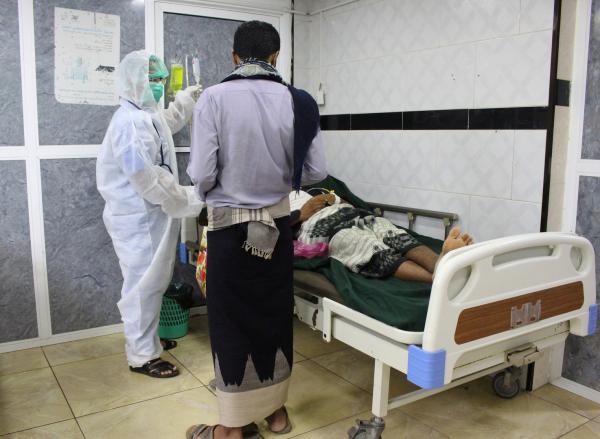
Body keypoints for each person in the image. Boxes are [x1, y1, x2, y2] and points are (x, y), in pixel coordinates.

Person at [186, 21, 326, 439]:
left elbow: (201, 173)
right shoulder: (300, 102)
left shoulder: (213, 98)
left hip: (230, 231)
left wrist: (220, 189)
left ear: (234, 56)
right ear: (275, 56)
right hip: (278, 230)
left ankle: (232, 428)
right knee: (272, 317)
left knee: (231, 322)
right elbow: (316, 171)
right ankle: (276, 414)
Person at [96, 50, 203, 379]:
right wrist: (188, 198)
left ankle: (148, 341)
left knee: (154, 282)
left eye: (161, 79)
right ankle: (142, 356)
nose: (158, 85)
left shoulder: (144, 113)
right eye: (152, 79)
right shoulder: (127, 124)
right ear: (132, 81)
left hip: (151, 216)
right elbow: (145, 178)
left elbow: (165, 124)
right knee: (142, 287)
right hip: (138, 219)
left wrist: (184, 101)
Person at [291, 191, 473, 283]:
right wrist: (300, 214)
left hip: (353, 213)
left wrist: (333, 199)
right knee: (367, 246)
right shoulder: (276, 202)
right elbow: (279, 229)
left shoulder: (309, 188)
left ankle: (441, 262)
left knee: (394, 234)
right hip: (320, 227)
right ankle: (438, 278)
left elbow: (346, 201)